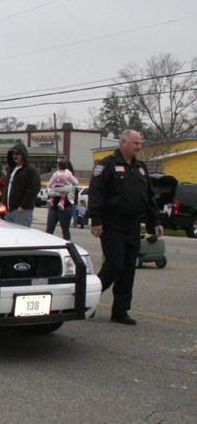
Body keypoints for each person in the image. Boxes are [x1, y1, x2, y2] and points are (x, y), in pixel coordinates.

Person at [89, 129, 163, 325]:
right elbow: (96, 193)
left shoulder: (140, 168)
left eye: (140, 143)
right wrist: (96, 219)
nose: (139, 147)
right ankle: (87, 299)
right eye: (136, 143)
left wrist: (155, 221)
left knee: (128, 267)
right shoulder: (106, 165)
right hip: (112, 224)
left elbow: (148, 197)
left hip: (133, 225)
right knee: (114, 265)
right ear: (123, 142)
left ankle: (120, 311)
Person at [0, 142, 41, 228]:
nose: (14, 156)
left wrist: (23, 207)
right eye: (13, 154)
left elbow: (34, 189)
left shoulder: (30, 170)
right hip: (9, 211)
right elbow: (7, 188)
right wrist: (3, 202)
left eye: (17, 154)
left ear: (23, 154)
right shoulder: (12, 170)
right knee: (9, 235)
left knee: (21, 235)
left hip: (21, 212)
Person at [45, 159, 78, 241]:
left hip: (66, 207)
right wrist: (58, 193)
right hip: (53, 207)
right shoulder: (56, 177)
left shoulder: (70, 181)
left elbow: (67, 189)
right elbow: (48, 190)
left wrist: (55, 189)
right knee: (49, 230)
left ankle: (66, 245)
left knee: (65, 230)